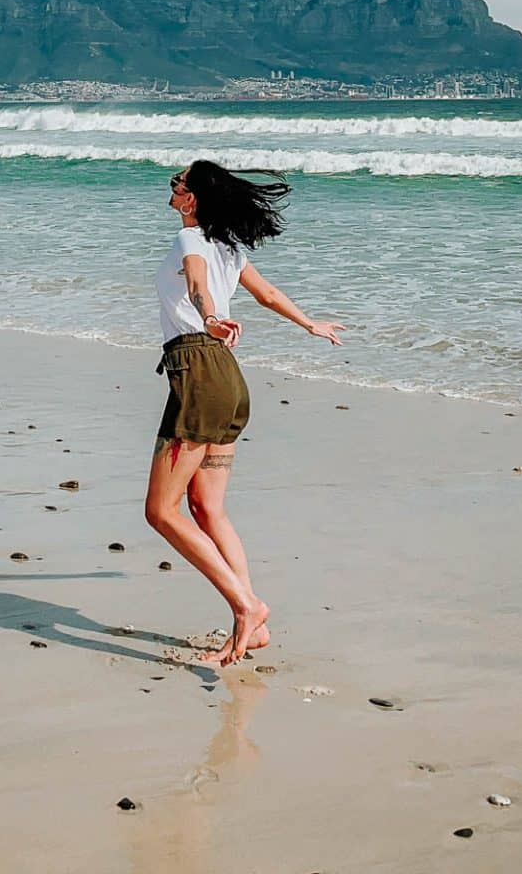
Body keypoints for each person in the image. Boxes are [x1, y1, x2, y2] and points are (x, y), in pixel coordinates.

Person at [145, 160, 344, 667]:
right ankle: (254, 626)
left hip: (198, 370)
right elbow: (268, 294)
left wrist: (209, 316)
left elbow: (196, 285)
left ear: (191, 200)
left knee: (161, 512)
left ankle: (245, 606)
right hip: (229, 380)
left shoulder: (192, 242)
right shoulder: (230, 249)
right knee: (207, 508)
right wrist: (310, 325)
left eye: (178, 183)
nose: (172, 187)